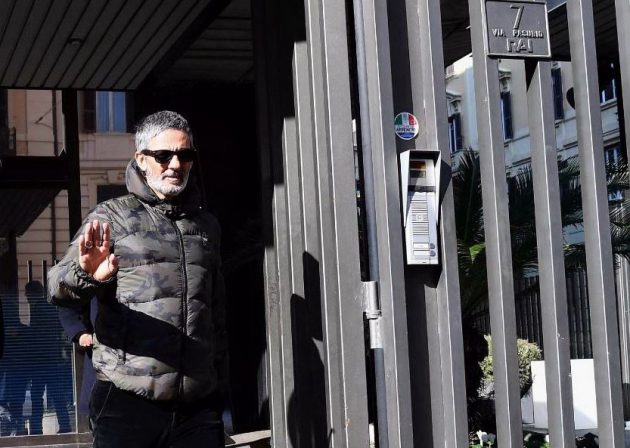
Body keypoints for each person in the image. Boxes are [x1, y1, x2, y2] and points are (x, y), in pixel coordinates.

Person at [48, 111, 228, 448]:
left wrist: (218, 384)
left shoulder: (206, 225)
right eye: (163, 155)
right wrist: (86, 275)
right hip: (127, 403)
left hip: (197, 406)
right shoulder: (111, 217)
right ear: (141, 160)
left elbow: (215, 312)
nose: (176, 164)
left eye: (185, 155)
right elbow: (56, 287)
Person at [25, 280, 73, 435]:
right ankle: (65, 425)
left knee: (37, 396)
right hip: (52, 359)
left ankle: (36, 429)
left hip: (41, 360)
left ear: (30, 294)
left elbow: (37, 336)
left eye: (27, 294)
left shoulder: (38, 309)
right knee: (56, 394)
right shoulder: (51, 308)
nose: (26, 297)